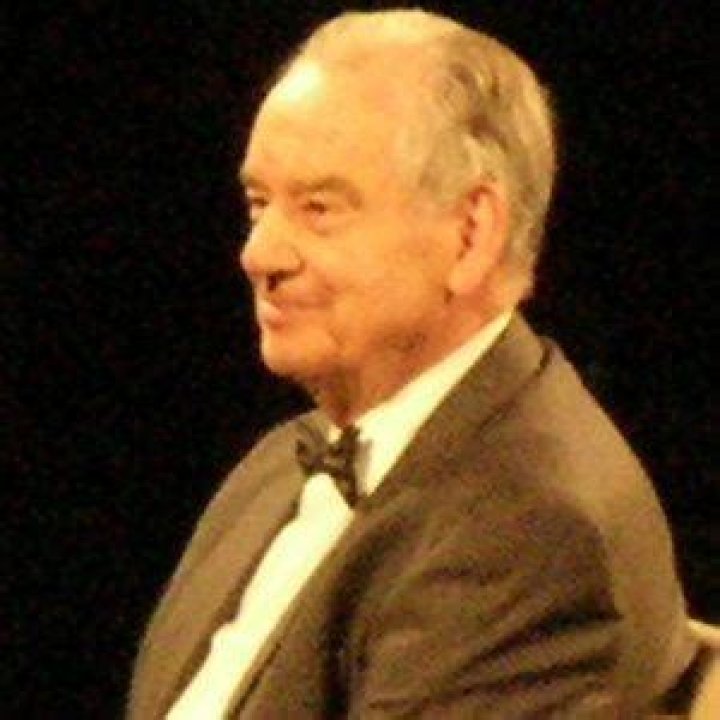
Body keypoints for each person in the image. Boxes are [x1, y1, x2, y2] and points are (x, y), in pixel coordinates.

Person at [128, 9, 697, 719]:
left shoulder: (530, 531)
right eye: (258, 204)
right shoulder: (280, 465)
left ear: (470, 235)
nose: (259, 254)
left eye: (319, 208)